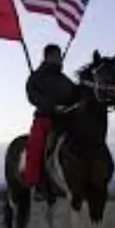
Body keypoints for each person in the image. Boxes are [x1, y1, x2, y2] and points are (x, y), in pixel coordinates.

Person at [24, 43, 76, 192]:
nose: (61, 59)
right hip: (45, 118)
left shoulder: (63, 79)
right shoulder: (35, 78)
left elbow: (74, 93)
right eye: (58, 56)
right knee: (36, 144)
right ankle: (35, 183)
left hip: (65, 118)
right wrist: (52, 106)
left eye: (60, 56)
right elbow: (33, 96)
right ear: (49, 56)